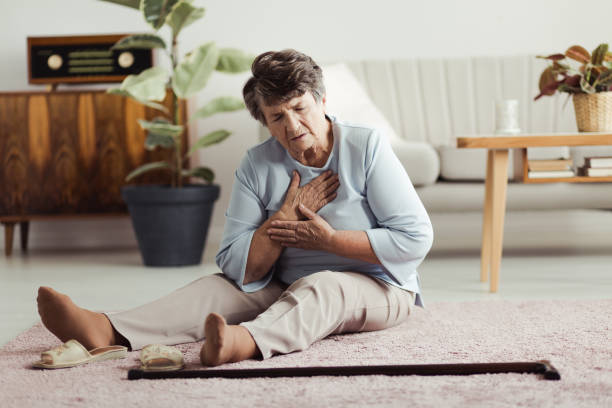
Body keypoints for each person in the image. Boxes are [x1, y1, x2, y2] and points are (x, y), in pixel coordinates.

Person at [36, 49, 433, 366]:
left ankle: (242, 342)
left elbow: (415, 239)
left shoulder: (366, 147)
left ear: (321, 99)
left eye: (299, 108)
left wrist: (329, 241)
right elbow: (235, 263)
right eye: (276, 117)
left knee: (324, 286)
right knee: (214, 288)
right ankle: (106, 330)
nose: (292, 127)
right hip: (280, 283)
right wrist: (283, 218)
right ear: (263, 119)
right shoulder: (257, 163)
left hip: (379, 287)